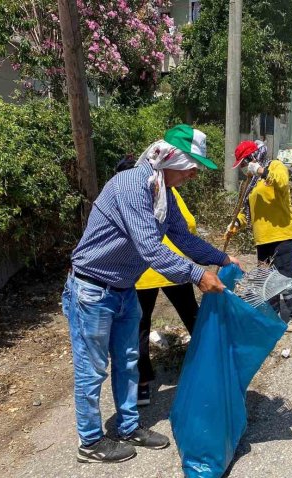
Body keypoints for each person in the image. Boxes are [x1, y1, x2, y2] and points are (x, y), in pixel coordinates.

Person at [62, 124, 240, 464]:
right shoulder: (132, 185)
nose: (193, 176)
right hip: (92, 290)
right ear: (171, 159)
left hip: (123, 289)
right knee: (92, 369)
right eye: (191, 169)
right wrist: (197, 274)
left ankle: (129, 427)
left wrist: (220, 257)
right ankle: (90, 441)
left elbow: (181, 238)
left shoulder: (162, 192)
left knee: (129, 362)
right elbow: (150, 249)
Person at [113, 157, 200, 408]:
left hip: (140, 274)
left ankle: (142, 388)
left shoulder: (120, 195)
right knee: (192, 317)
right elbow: (189, 223)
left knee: (140, 327)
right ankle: (211, 365)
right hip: (173, 267)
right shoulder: (163, 190)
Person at [226, 140, 292, 332]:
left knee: (285, 275)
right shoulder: (249, 183)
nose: (244, 168)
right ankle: (272, 315)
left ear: (253, 158)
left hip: (282, 233)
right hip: (262, 238)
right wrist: (235, 223)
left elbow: (282, 183)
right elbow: (246, 211)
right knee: (266, 278)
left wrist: (261, 171)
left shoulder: (275, 166)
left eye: (244, 163)